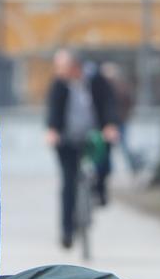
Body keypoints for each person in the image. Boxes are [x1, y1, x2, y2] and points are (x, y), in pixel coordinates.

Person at [45, 49, 119, 248]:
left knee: (105, 153)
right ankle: (67, 231)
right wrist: (52, 130)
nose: (58, 72)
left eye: (62, 68)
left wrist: (110, 125)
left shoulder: (96, 81)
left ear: (74, 67)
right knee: (68, 183)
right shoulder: (59, 85)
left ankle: (100, 189)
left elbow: (109, 104)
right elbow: (53, 110)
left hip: (93, 136)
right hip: (68, 139)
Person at [100, 60, 142, 174]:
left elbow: (129, 102)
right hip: (108, 123)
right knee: (106, 148)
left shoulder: (121, 87)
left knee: (124, 146)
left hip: (120, 121)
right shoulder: (102, 89)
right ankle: (107, 170)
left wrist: (125, 116)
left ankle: (133, 168)